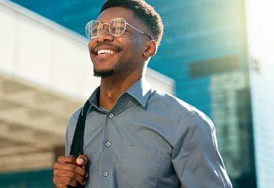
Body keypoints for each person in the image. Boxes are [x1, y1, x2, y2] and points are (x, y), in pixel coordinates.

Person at [53, 0, 232, 187]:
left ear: (148, 48)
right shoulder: (77, 121)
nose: (102, 37)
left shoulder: (186, 122)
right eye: (97, 29)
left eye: (118, 28)